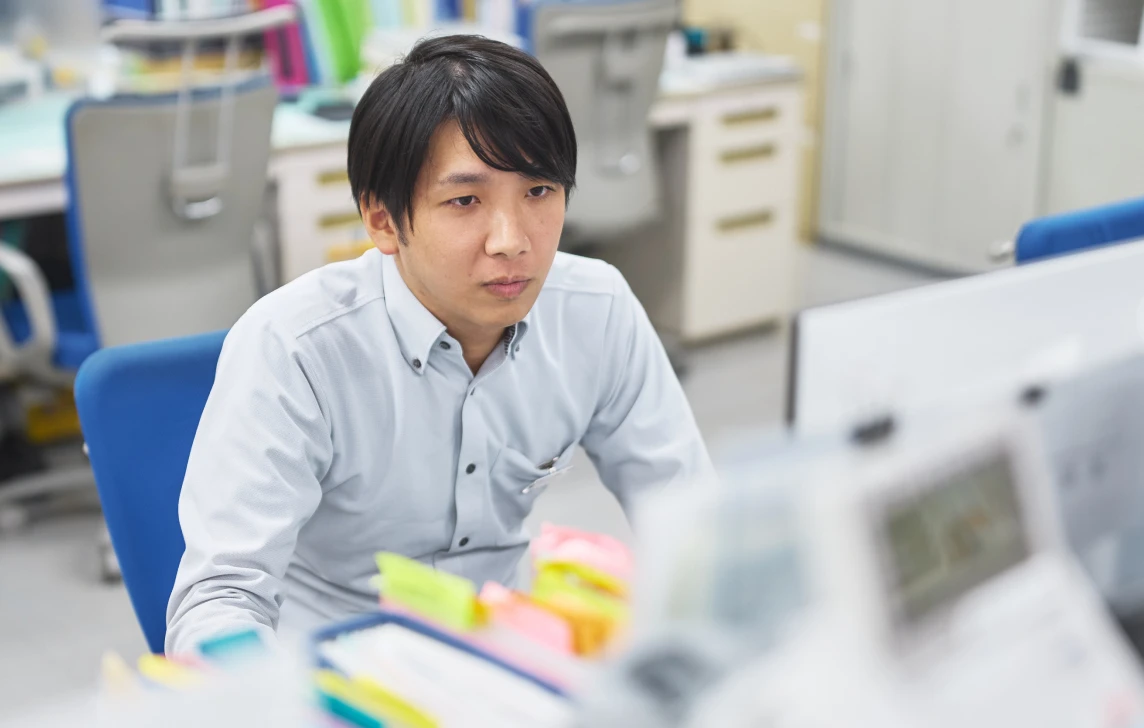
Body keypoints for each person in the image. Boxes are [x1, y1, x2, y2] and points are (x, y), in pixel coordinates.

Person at [165, 34, 712, 654]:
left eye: (538, 191)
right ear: (382, 220)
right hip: (332, 663)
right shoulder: (295, 348)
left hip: (506, 654)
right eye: (465, 200)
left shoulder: (596, 310)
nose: (511, 240)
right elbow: (220, 599)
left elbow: (693, 518)